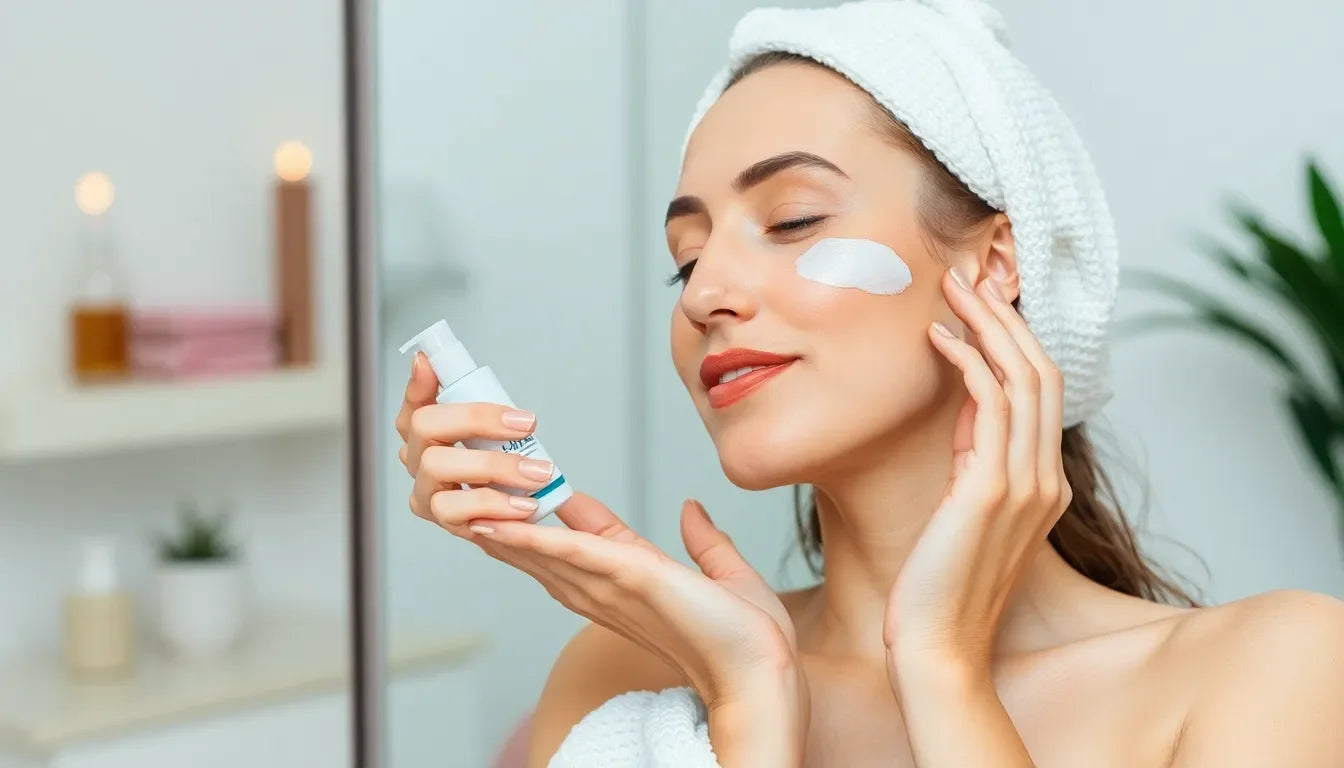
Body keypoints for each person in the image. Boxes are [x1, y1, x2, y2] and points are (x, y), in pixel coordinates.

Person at [396, 2, 1344, 765]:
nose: (708, 295)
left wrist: (942, 673)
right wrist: (749, 712)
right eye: (687, 260)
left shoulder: (1276, 672)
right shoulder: (625, 672)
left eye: (795, 219)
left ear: (994, 264)